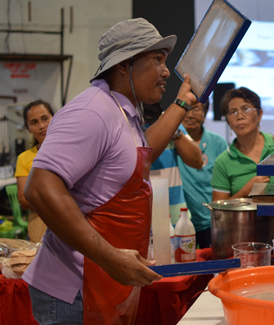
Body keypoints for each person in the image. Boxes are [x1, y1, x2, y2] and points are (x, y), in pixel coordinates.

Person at [22, 18, 197, 324]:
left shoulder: (123, 112)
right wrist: (109, 257)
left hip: (103, 280)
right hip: (74, 290)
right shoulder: (91, 111)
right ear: (122, 66)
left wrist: (182, 103)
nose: (166, 71)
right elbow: (39, 188)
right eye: (157, 60)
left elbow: (141, 156)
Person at [211, 87, 274, 238]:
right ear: (228, 121)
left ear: (260, 114)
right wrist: (245, 191)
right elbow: (218, 213)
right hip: (246, 243)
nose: (240, 116)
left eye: (246, 109)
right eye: (233, 112)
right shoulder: (223, 161)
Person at [178, 100, 227, 248]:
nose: (190, 115)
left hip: (211, 221)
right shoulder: (173, 140)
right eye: (186, 109)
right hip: (181, 222)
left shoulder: (218, 142)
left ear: (205, 114)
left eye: (196, 109)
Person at [146, 103, 203, 225]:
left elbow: (197, 161)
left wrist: (172, 128)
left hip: (177, 220)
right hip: (143, 221)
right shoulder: (128, 123)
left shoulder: (168, 120)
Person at [14, 100, 55, 243]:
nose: (42, 126)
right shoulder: (24, 158)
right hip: (39, 226)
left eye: (45, 118)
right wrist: (58, 197)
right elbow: (24, 201)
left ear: (54, 117)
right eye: (34, 122)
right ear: (28, 128)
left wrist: (40, 196)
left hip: (75, 223)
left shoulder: (71, 149)